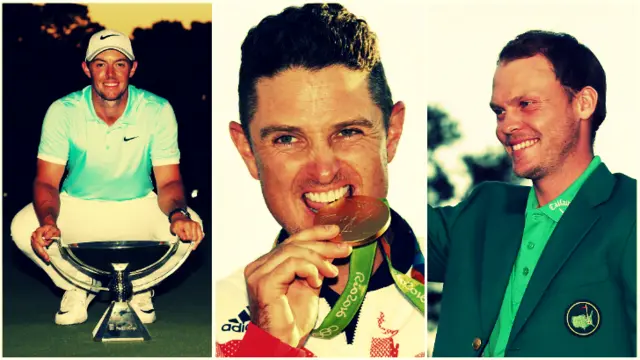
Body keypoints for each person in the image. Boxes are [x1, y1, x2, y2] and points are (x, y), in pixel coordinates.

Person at [215, 4, 425, 357]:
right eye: (286, 139)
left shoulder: (465, 289)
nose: (324, 170)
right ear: (248, 151)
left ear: (392, 133)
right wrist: (269, 349)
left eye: (347, 131)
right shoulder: (217, 310)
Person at [428, 30, 636, 357]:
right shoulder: (482, 211)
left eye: (526, 104)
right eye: (500, 111)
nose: (506, 127)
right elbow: (385, 231)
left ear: (583, 103)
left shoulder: (630, 212)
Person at [10, 29, 205, 326]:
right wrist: (49, 221)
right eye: (100, 64)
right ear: (87, 69)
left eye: (120, 64)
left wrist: (178, 213)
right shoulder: (62, 111)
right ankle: (78, 285)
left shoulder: (158, 109)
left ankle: (137, 287)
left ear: (133, 68)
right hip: (78, 205)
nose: (110, 74)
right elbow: (47, 182)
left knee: (192, 228)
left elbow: (168, 182)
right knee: (23, 227)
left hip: (138, 204)